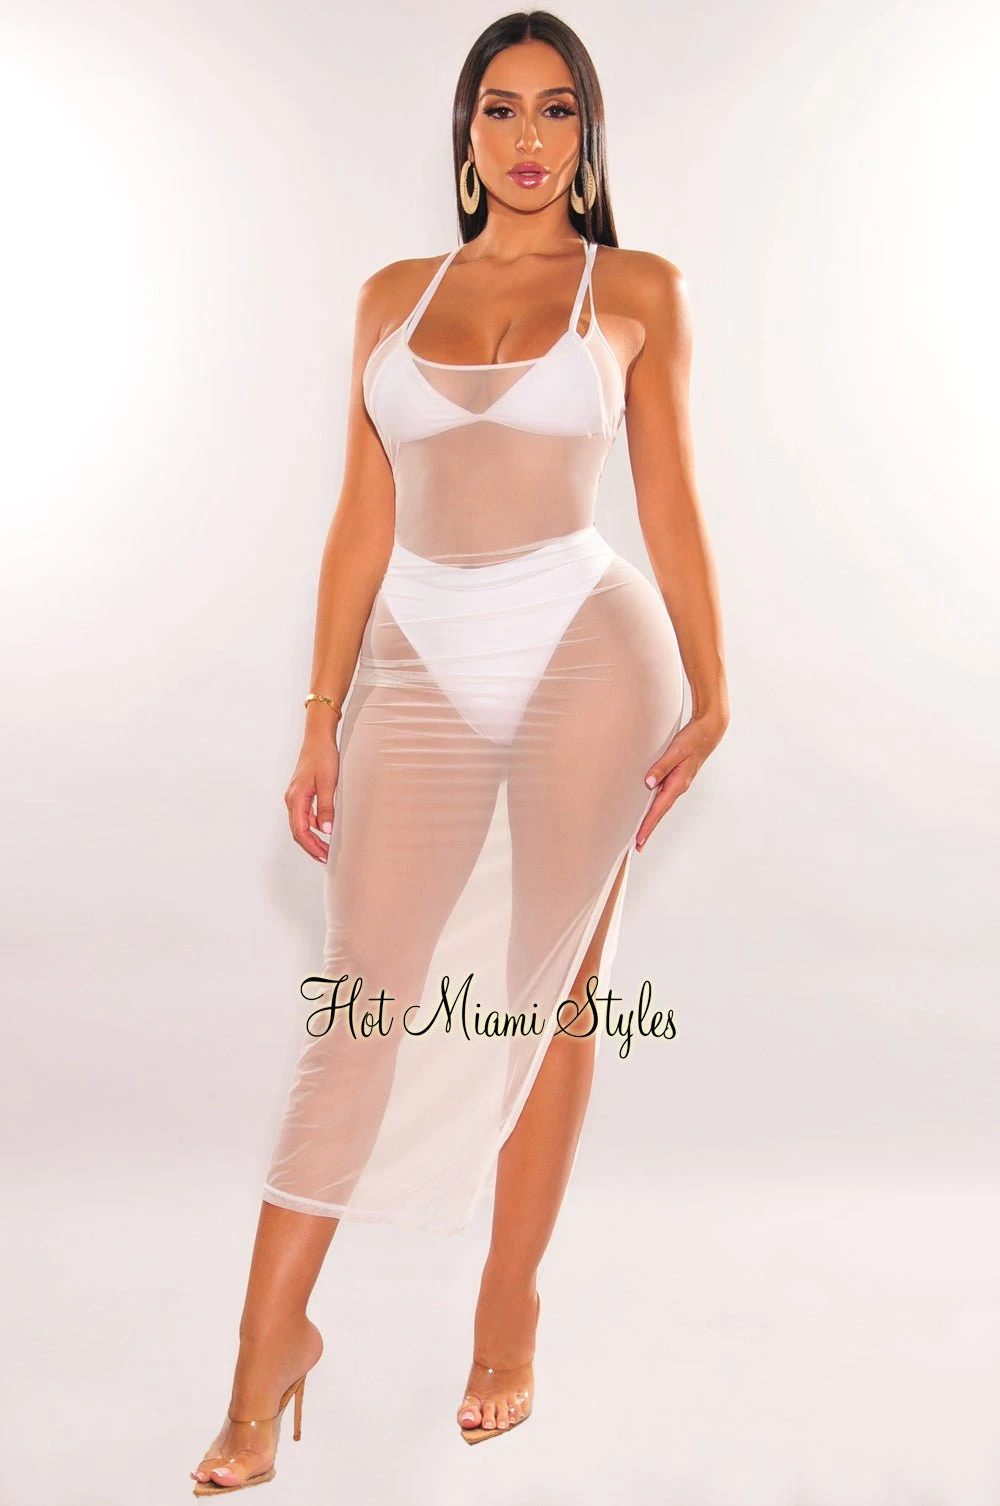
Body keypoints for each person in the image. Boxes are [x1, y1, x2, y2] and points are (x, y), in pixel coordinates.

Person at [191, 8, 728, 1491]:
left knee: (552, 997)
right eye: (503, 108)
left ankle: (507, 1317)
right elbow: (360, 517)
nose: (530, 137)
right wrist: (320, 716)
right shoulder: (391, 294)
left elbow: (669, 497)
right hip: (415, 662)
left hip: (588, 654)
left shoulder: (635, 288)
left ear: (589, 132)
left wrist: (715, 681)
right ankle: (266, 1348)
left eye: (558, 110)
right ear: (467, 130)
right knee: (358, 1002)